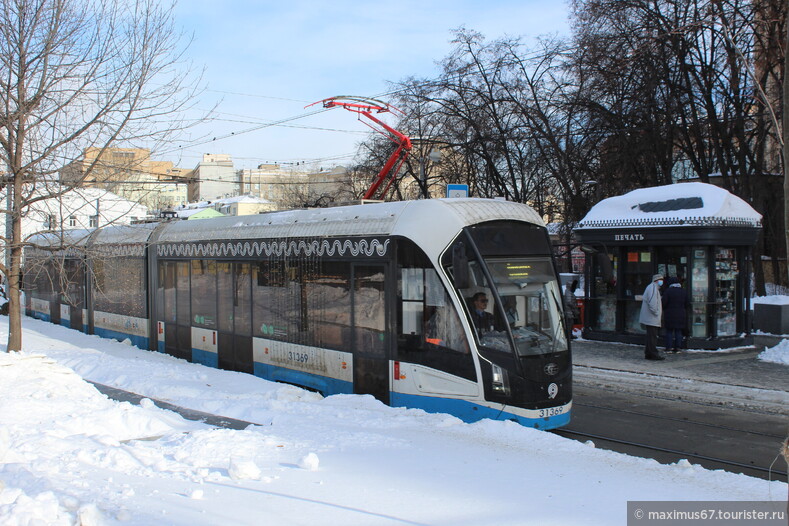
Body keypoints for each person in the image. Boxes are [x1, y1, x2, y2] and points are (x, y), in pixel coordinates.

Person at [639, 273, 665, 360]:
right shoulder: (653, 288)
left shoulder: (652, 287)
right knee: (652, 336)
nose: (662, 282)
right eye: (660, 280)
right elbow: (652, 303)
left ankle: (649, 352)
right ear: (656, 280)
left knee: (650, 336)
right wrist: (656, 313)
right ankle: (653, 353)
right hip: (651, 318)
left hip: (650, 317)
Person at [662, 277, 689, 353]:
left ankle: (669, 347)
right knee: (678, 331)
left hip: (669, 314)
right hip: (681, 314)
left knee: (669, 331)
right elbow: (687, 303)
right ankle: (678, 347)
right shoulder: (683, 291)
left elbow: (664, 303)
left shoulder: (668, 291)